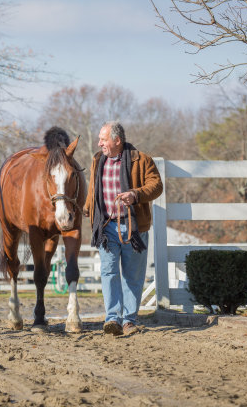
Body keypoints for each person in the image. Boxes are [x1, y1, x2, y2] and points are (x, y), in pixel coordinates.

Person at [83, 121, 162, 336]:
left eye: (103, 139)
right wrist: (88, 207)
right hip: (106, 225)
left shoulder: (141, 160)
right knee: (108, 271)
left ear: (117, 140)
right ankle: (112, 319)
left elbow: (156, 186)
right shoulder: (98, 160)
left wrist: (135, 194)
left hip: (132, 227)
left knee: (132, 275)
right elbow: (93, 188)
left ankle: (128, 320)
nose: (99, 143)